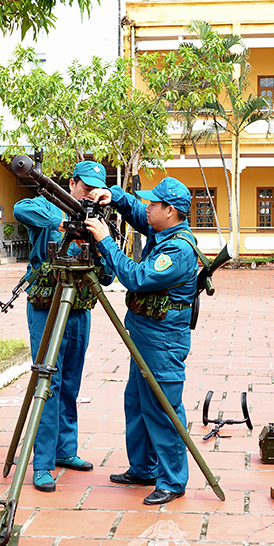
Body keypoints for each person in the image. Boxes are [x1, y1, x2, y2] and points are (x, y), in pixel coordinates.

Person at [83, 176, 198, 505]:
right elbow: (135, 211)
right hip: (145, 335)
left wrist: (106, 242)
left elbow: (134, 277)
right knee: (136, 403)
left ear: (170, 210)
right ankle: (144, 468)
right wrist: (113, 196)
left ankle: (173, 481)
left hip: (163, 341)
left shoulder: (177, 249)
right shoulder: (164, 231)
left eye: (154, 204)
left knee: (163, 410)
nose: (147, 208)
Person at [12, 160, 114, 493]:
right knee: (48, 384)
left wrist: (99, 235)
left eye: (95, 191)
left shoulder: (96, 219)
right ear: (72, 183)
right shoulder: (48, 206)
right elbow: (21, 208)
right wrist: (62, 222)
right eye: (84, 188)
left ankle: (65, 451)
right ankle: (42, 463)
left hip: (79, 307)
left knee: (70, 383)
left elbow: (109, 275)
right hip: (47, 307)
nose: (89, 195)